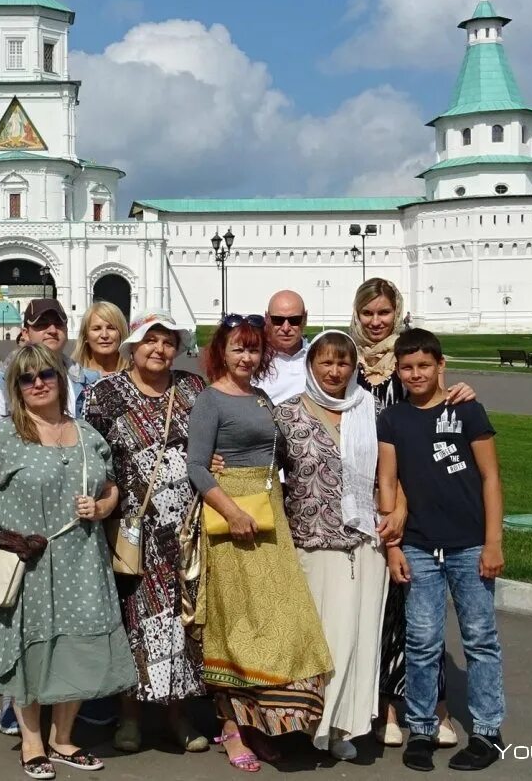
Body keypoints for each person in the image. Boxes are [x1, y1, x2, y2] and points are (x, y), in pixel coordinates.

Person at [0, 344, 138, 777]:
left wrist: (101, 508)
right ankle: (31, 741)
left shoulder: (86, 434)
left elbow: (111, 486)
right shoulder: (3, 437)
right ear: (16, 388)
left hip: (82, 559)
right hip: (25, 564)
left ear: (62, 379)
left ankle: (63, 738)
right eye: (26, 378)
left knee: (76, 648)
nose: (38, 383)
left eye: (46, 374)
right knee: (27, 647)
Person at [187, 314, 332, 771]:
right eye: (237, 349)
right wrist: (232, 513)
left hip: (269, 516)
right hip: (232, 519)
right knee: (235, 625)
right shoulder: (210, 400)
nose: (246, 357)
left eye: (253, 349)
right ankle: (231, 728)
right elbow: (197, 466)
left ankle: (258, 723)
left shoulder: (263, 398)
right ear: (221, 354)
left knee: (278, 620)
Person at [350, 278, 474, 747]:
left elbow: (439, 405)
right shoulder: (350, 364)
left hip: (412, 496)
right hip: (362, 499)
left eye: (384, 312)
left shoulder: (408, 362)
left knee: (417, 606)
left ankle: (436, 706)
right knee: (380, 607)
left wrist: (461, 389)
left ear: (397, 313)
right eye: (368, 313)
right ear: (357, 315)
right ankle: (386, 707)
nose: (376, 321)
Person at [378, 329, 505, 772]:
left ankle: (488, 731)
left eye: (424, 366)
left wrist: (493, 542)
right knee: (422, 640)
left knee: (479, 639)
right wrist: (393, 546)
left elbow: (490, 477)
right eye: (407, 367)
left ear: (440, 365)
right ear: (398, 370)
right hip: (417, 545)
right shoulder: (393, 419)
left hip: (470, 545)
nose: (416, 374)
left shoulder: (466, 409)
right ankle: (422, 729)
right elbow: (389, 483)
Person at [83, 312, 208, 755]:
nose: (159, 349)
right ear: (132, 347)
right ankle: (130, 714)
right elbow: (90, 457)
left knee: (184, 621)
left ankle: (179, 715)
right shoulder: (105, 394)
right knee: (133, 620)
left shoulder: (192, 390)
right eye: (150, 341)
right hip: (133, 531)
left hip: (189, 529)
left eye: (168, 342)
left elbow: (213, 444)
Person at [269, 331, 389, 761]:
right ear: (311, 366)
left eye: (343, 363)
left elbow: (392, 474)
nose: (335, 371)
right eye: (326, 362)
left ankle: (344, 727)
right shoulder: (286, 415)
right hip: (313, 544)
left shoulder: (371, 412)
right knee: (318, 641)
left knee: (357, 639)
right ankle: (304, 725)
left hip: (366, 545)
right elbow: (264, 472)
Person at [0, 298, 99, 437]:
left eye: (59, 324)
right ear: (25, 333)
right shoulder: (2, 383)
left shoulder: (90, 381)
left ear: (66, 330)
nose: (52, 330)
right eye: (42, 324)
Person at [256, 289, 311, 404]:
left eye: (294, 320)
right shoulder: (254, 359)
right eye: (278, 320)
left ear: (305, 318)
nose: (286, 328)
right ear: (267, 318)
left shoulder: (316, 356)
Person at [72, 300, 128, 374]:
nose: (104, 335)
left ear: (121, 333)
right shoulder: (71, 376)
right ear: (85, 336)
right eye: (96, 329)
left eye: (111, 328)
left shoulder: (136, 374)